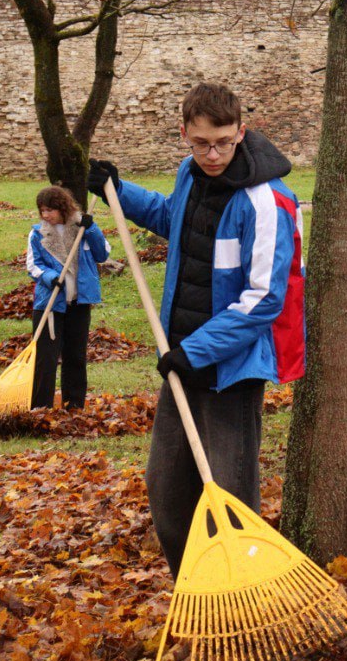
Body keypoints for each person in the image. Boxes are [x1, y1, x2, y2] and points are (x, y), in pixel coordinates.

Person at [87, 82, 304, 578]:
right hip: (181, 363)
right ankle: (196, 589)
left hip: (228, 370)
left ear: (241, 132)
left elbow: (263, 299)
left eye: (224, 143)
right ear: (185, 134)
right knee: (167, 492)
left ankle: (240, 594)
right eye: (201, 143)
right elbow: (173, 219)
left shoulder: (268, 201)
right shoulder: (190, 173)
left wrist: (196, 351)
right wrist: (117, 192)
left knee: (229, 499)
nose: (212, 154)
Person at [26, 185, 111, 409]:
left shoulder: (83, 228)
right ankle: (40, 407)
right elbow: (33, 265)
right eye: (42, 211)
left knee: (75, 356)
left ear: (63, 208)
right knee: (46, 358)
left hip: (79, 303)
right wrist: (51, 277)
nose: (45, 215)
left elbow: (103, 254)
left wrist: (92, 229)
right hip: (50, 305)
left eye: (50, 210)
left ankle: (74, 405)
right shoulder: (38, 234)